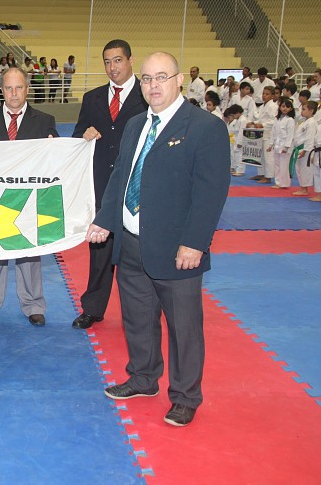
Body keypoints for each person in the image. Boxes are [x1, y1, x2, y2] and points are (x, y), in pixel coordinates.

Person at [86, 51, 229, 427]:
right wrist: (105, 220)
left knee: (183, 327)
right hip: (132, 242)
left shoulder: (204, 127)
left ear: (179, 80)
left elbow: (211, 191)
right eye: (147, 78)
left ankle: (185, 396)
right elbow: (121, 176)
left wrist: (195, 242)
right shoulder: (136, 124)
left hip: (176, 247)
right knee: (136, 317)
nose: (153, 85)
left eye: (162, 77)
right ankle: (143, 378)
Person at [0, 67, 58, 326]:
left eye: (18, 87)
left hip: (29, 199)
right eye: (9, 88)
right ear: (1, 90)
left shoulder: (44, 121)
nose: (13, 93)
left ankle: (33, 304)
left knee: (30, 252)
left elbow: (55, 163)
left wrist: (55, 148)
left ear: (27, 89)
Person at [71, 39, 147, 330]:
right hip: (101, 185)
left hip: (135, 186)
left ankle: (139, 312)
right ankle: (92, 309)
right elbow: (78, 134)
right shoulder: (92, 98)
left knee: (136, 254)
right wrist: (85, 133)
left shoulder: (147, 95)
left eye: (118, 60)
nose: (112, 67)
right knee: (99, 252)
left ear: (130, 60)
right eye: (107, 61)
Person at [269, 97, 296, 189]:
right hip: (277, 145)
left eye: (287, 107)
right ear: (280, 107)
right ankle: (278, 182)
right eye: (283, 106)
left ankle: (284, 183)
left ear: (291, 109)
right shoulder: (277, 119)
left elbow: (290, 135)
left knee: (284, 165)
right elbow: (273, 133)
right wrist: (271, 144)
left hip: (285, 146)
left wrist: (286, 147)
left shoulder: (290, 120)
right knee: (277, 164)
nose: (285, 108)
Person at [293, 101, 318, 196]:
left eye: (304, 109)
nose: (301, 111)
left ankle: (305, 189)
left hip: (306, 149)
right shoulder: (305, 121)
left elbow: (310, 138)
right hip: (299, 148)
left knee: (305, 169)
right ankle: (302, 187)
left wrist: (305, 150)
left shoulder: (311, 123)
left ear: (311, 111)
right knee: (299, 168)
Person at [224, 104, 247, 176]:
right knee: (235, 154)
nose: (233, 116)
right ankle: (235, 168)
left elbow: (241, 132)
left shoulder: (243, 120)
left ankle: (240, 171)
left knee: (239, 155)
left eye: (233, 115)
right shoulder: (238, 120)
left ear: (238, 113)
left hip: (240, 139)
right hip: (235, 139)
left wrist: (240, 142)